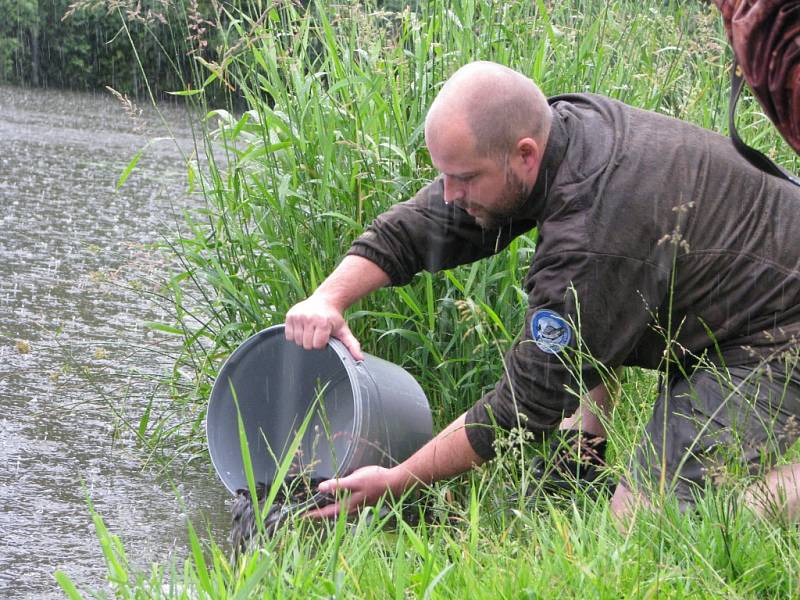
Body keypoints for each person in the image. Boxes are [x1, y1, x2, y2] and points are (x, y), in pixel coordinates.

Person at [284, 61, 800, 523]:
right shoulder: (564, 133)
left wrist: (397, 480)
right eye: (443, 176)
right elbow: (425, 224)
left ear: (524, 155)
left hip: (778, 330)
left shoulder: (591, 236)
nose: (449, 194)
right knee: (592, 304)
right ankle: (583, 452)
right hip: (723, 280)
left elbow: (523, 405)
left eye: (462, 178)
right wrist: (328, 298)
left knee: (643, 523)